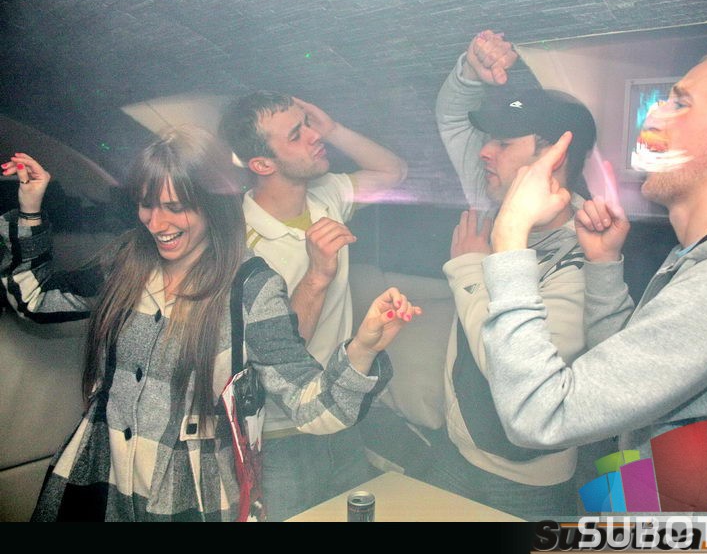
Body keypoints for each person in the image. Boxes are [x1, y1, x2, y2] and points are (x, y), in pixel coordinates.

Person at [0, 126, 420, 522]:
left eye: (175, 208)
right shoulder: (127, 261)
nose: (156, 224)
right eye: (146, 205)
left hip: (185, 490)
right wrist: (30, 208)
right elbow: (34, 300)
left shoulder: (250, 287)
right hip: (97, 474)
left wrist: (363, 349)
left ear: (212, 204)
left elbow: (314, 410)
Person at [481, 46, 707, 513]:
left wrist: (510, 235)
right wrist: (604, 264)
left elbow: (538, 414)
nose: (653, 115)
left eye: (680, 102)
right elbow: (631, 380)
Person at [423, 29, 598, 519]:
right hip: (457, 449)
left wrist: (469, 268)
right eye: (488, 140)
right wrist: (470, 72)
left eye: (501, 142)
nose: (485, 152)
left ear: (552, 157)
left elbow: (515, 375)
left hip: (527, 482)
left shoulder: (586, 255)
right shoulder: (492, 198)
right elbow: (452, 118)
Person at [218, 92, 408, 519]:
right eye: (296, 134)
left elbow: (393, 171)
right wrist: (318, 275)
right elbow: (281, 353)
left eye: (307, 123)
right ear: (262, 164)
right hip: (279, 434)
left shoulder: (326, 194)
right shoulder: (240, 242)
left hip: (340, 408)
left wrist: (333, 129)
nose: (312, 136)